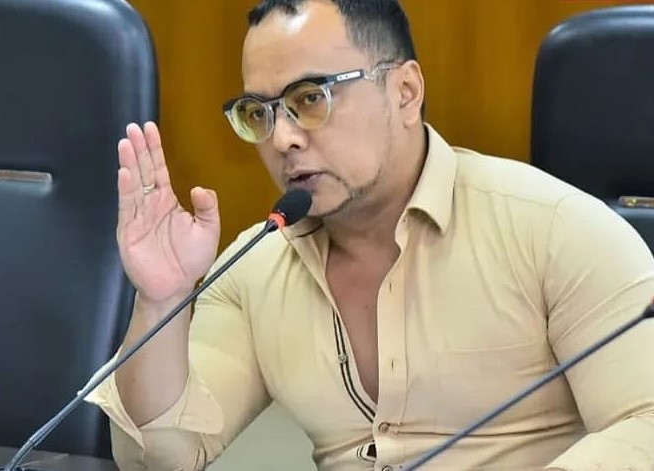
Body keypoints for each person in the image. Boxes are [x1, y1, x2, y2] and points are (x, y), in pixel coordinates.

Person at [87, 0, 654, 469]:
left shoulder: (555, 229)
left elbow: (646, 423)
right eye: (260, 113)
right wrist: (161, 300)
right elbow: (161, 456)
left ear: (404, 91)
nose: (282, 138)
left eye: (309, 99)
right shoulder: (255, 269)